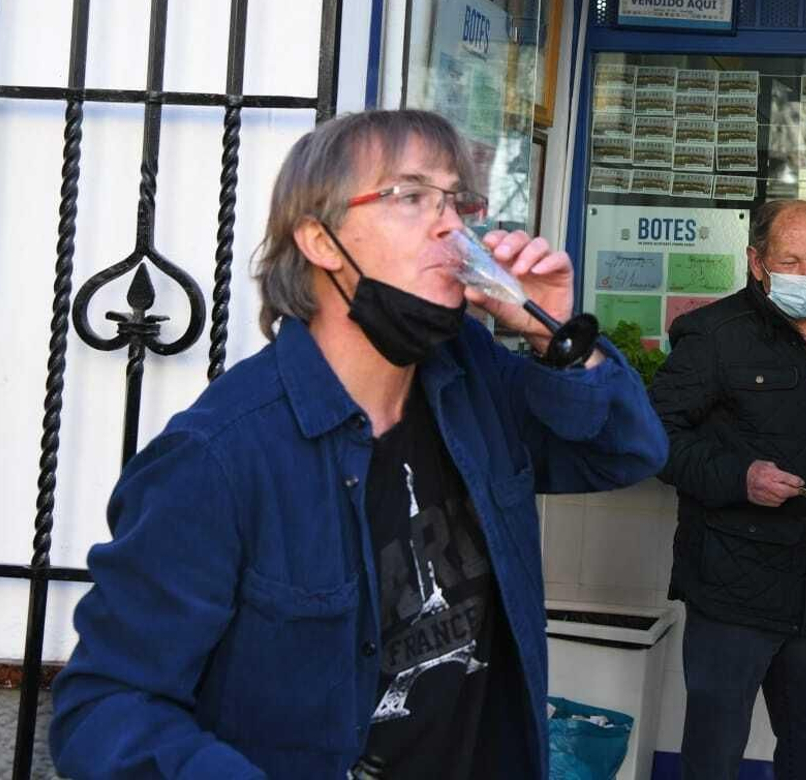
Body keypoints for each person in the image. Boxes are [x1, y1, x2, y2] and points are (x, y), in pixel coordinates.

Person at [50, 110, 668, 779]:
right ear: (319, 239)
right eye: (410, 196)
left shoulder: (473, 383)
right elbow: (105, 705)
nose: (452, 223)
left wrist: (557, 336)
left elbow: (625, 451)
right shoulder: (219, 456)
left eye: (457, 199)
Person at [650, 199, 806, 780]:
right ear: (758, 262)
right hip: (733, 589)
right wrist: (740, 478)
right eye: (792, 261)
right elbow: (654, 437)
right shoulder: (714, 336)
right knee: (714, 756)